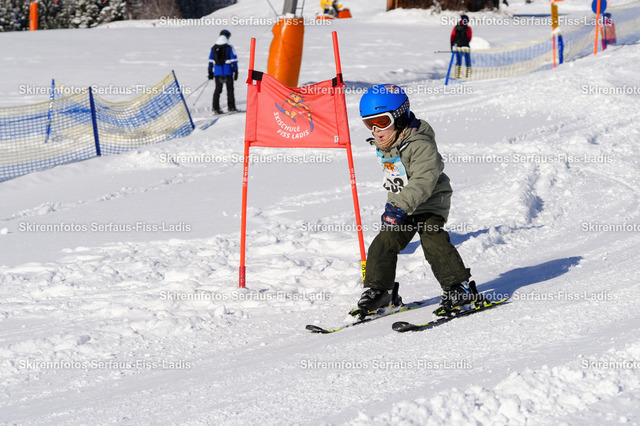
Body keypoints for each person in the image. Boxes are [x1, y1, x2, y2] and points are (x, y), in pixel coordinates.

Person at [357, 84, 478, 317]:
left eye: (381, 122)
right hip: (403, 206)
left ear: (400, 116)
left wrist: (399, 206)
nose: (376, 130)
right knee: (383, 242)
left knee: (432, 239)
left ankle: (458, 288)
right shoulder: (389, 144)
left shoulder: (421, 144)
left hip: (430, 201)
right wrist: (395, 206)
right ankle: (380, 291)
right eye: (369, 124)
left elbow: (424, 180)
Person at [208, 29, 238, 114]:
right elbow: (234, 60)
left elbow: (210, 61)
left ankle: (215, 108)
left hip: (217, 72)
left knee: (217, 90)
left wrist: (210, 72)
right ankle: (231, 107)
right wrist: (236, 71)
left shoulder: (214, 47)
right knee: (230, 90)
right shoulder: (229, 47)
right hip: (228, 71)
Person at [450, 14, 472, 79]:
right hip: (466, 47)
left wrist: (452, 46)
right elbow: (469, 37)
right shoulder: (468, 28)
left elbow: (452, 37)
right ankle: (468, 74)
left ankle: (457, 74)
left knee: (458, 61)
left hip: (457, 47)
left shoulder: (456, 27)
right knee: (467, 61)